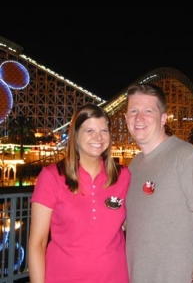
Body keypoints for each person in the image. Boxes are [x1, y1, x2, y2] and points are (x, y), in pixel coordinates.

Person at [124, 83, 193, 283]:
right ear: (125, 118)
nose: (139, 118)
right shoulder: (134, 165)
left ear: (163, 119)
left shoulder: (188, 158)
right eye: (133, 111)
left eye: (148, 111)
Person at [28, 104, 130, 283]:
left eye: (104, 130)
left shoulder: (123, 176)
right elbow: (38, 243)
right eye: (89, 130)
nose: (98, 137)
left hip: (115, 277)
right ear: (75, 135)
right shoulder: (51, 177)